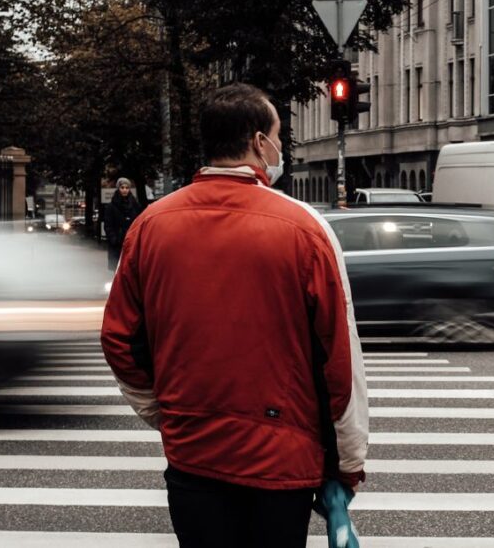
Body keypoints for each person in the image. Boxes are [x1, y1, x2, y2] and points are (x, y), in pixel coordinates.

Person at [100, 83, 368, 548]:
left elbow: (120, 339)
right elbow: (340, 359)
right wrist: (348, 462)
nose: (280, 148)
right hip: (281, 461)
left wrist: (165, 414)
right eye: (278, 136)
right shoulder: (306, 229)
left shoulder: (150, 226)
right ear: (259, 143)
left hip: (193, 454)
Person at [103, 177, 141, 271]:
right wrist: (114, 239)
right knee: (118, 271)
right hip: (117, 244)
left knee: (131, 270)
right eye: (122, 187)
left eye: (127, 188)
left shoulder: (135, 205)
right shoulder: (111, 207)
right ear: (118, 188)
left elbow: (139, 222)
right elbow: (108, 226)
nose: (124, 190)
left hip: (132, 243)